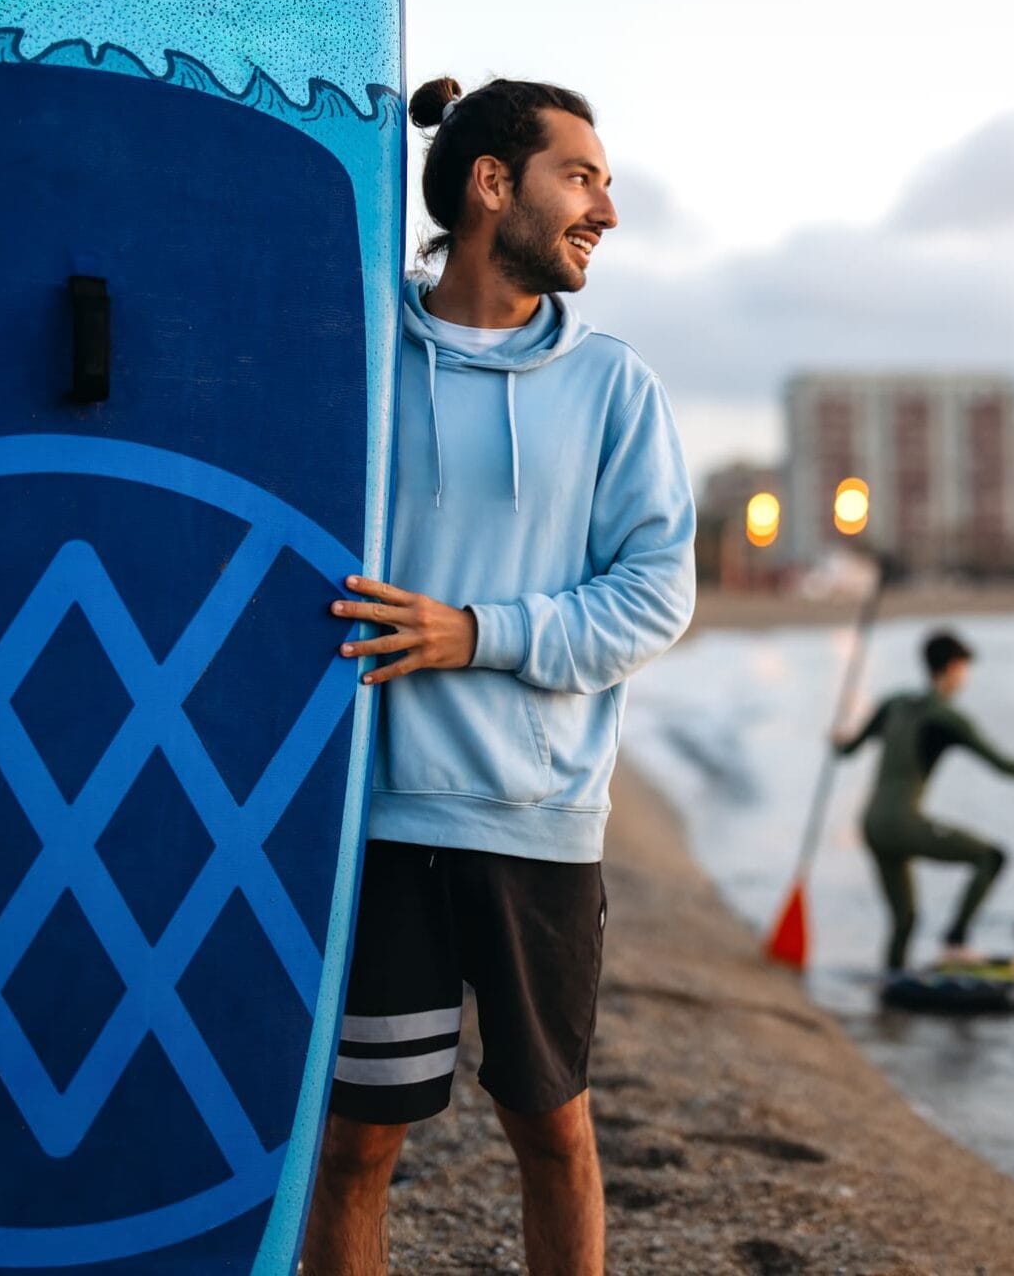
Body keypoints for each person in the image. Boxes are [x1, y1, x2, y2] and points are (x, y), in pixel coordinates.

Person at [302, 75, 696, 1276]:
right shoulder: (363, 359)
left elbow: (656, 594)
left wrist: (474, 633)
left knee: (555, 1132)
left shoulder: (611, 384)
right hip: (375, 819)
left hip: (539, 823)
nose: (606, 212)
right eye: (581, 177)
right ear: (490, 184)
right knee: (359, 1144)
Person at [833, 630, 1014, 972]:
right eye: (965, 669)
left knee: (905, 920)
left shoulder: (894, 703)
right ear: (951, 669)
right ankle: (956, 941)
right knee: (991, 857)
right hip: (901, 824)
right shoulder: (946, 717)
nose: (967, 678)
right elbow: (1002, 765)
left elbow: (845, 750)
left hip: (871, 825)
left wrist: (836, 736)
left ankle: (891, 991)